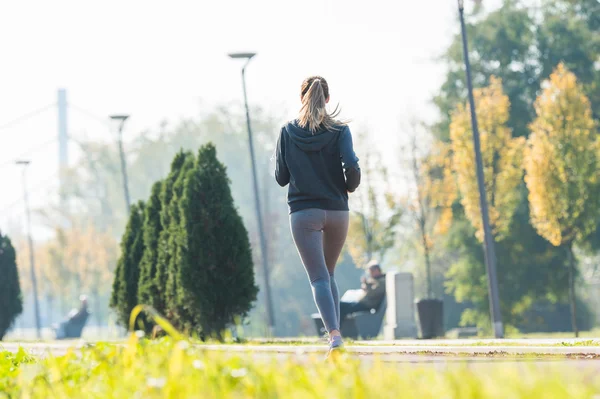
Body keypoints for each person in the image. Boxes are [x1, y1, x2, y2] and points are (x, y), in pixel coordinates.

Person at [275, 76, 361, 355]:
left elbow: (281, 177)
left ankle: (334, 335)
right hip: (337, 210)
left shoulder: (288, 132)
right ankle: (336, 335)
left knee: (319, 278)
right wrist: (348, 188)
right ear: (326, 99)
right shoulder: (340, 130)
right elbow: (352, 166)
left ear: (302, 99)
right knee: (329, 273)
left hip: (304, 213)